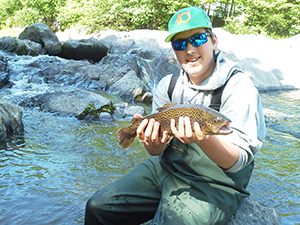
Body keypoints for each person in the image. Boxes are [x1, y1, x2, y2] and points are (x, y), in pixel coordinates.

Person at [84, 6, 266, 225]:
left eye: (197, 39)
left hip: (215, 183)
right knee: (97, 207)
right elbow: (155, 151)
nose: (189, 50)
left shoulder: (239, 87)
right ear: (173, 50)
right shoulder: (167, 86)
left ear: (214, 40)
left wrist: (205, 137)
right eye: (180, 44)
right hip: (167, 167)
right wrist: (151, 141)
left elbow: (239, 161)